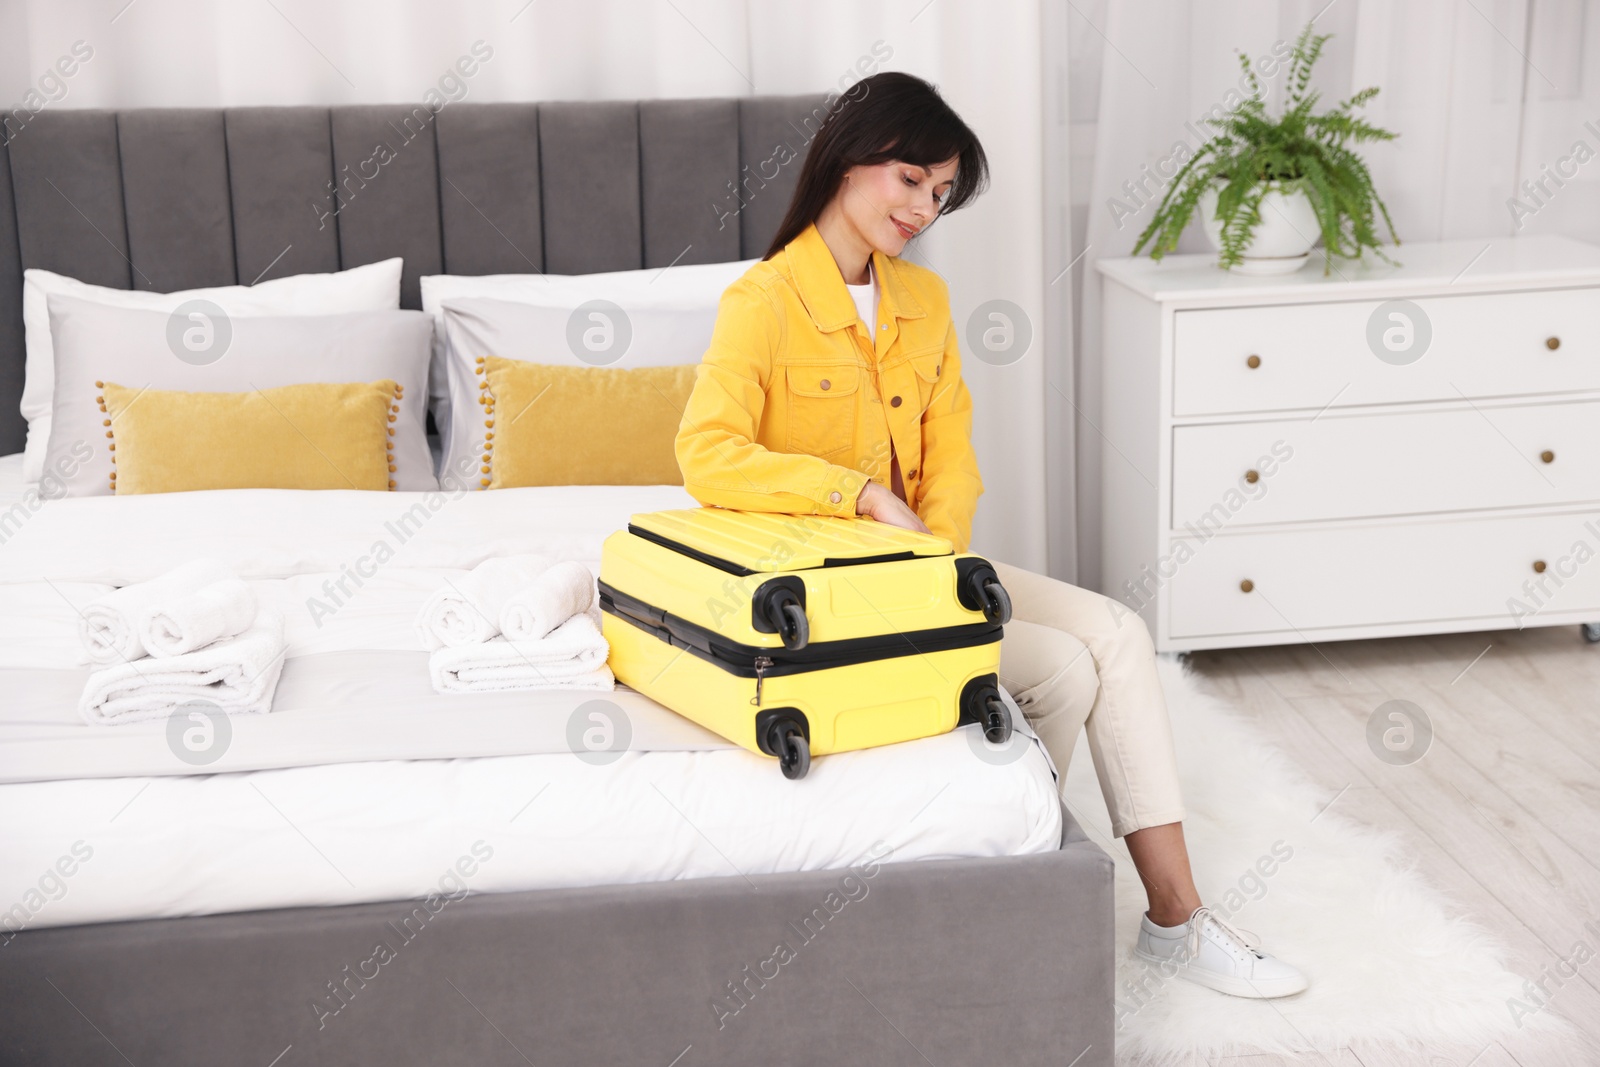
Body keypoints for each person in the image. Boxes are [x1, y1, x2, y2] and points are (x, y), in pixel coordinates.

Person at [673, 71, 1306, 1000]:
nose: (924, 208)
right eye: (911, 179)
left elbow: (953, 459)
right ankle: (1009, 886)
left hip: (925, 562)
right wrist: (853, 495)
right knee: (1063, 668)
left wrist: (943, 559)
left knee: (1118, 633)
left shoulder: (922, 303)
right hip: (831, 583)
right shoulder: (762, 302)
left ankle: (1177, 919)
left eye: (939, 194)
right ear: (852, 159)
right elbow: (706, 454)